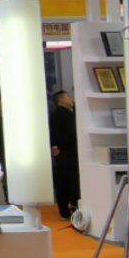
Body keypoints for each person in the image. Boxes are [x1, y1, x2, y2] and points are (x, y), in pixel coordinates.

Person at [50, 90, 80, 220]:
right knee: (67, 182)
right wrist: (58, 147)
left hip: (68, 152)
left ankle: (71, 208)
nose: (71, 99)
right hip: (66, 153)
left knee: (69, 182)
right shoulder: (59, 114)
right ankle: (67, 209)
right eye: (68, 96)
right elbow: (62, 134)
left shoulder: (68, 113)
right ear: (61, 99)